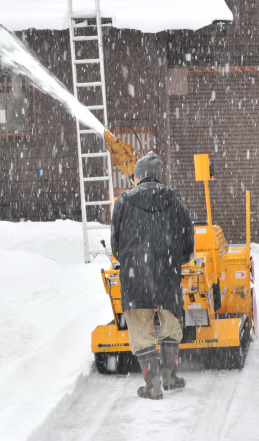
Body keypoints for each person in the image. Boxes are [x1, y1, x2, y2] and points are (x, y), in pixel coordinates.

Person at [111, 151, 194, 400]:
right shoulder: (174, 202)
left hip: (135, 276)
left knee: (141, 330)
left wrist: (131, 260)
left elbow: (116, 246)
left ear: (138, 177)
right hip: (167, 274)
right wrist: (172, 261)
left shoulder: (123, 202)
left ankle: (153, 384)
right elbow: (188, 243)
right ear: (158, 177)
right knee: (170, 325)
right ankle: (170, 376)